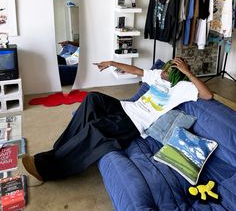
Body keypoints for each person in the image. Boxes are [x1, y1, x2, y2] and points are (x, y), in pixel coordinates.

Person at [22, 58, 213, 182]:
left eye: (169, 69)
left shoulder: (182, 88)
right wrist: (112, 63)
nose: (163, 71)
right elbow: (136, 70)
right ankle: (60, 148)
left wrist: (188, 73)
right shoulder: (157, 76)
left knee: (95, 128)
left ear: (177, 74)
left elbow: (208, 95)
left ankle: (47, 168)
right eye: (166, 67)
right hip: (125, 108)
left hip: (135, 123)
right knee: (92, 98)